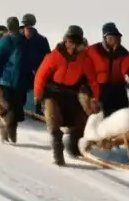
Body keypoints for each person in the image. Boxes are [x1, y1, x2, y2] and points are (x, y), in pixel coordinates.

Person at [33, 25, 101, 166]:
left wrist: (95, 97)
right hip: (53, 93)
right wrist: (38, 96)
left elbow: (92, 79)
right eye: (68, 41)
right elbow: (40, 76)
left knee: (79, 122)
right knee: (54, 122)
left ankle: (73, 148)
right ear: (65, 40)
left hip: (70, 94)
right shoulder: (54, 56)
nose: (70, 45)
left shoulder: (83, 59)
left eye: (74, 43)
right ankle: (58, 157)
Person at [87, 22, 129, 117]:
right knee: (99, 116)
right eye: (110, 38)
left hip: (118, 91)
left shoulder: (124, 55)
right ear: (104, 38)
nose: (114, 40)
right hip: (98, 90)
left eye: (116, 38)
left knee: (121, 117)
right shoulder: (92, 51)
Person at [0, 17, 29, 144]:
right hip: (6, 82)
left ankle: (8, 134)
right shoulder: (8, 41)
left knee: (15, 110)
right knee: (10, 109)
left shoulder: (21, 41)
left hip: (18, 83)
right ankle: (9, 136)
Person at [20, 13, 51, 115]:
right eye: (26, 25)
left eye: (30, 25)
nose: (28, 27)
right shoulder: (17, 38)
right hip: (20, 71)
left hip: (37, 73)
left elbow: (48, 58)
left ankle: (38, 108)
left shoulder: (41, 40)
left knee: (39, 88)